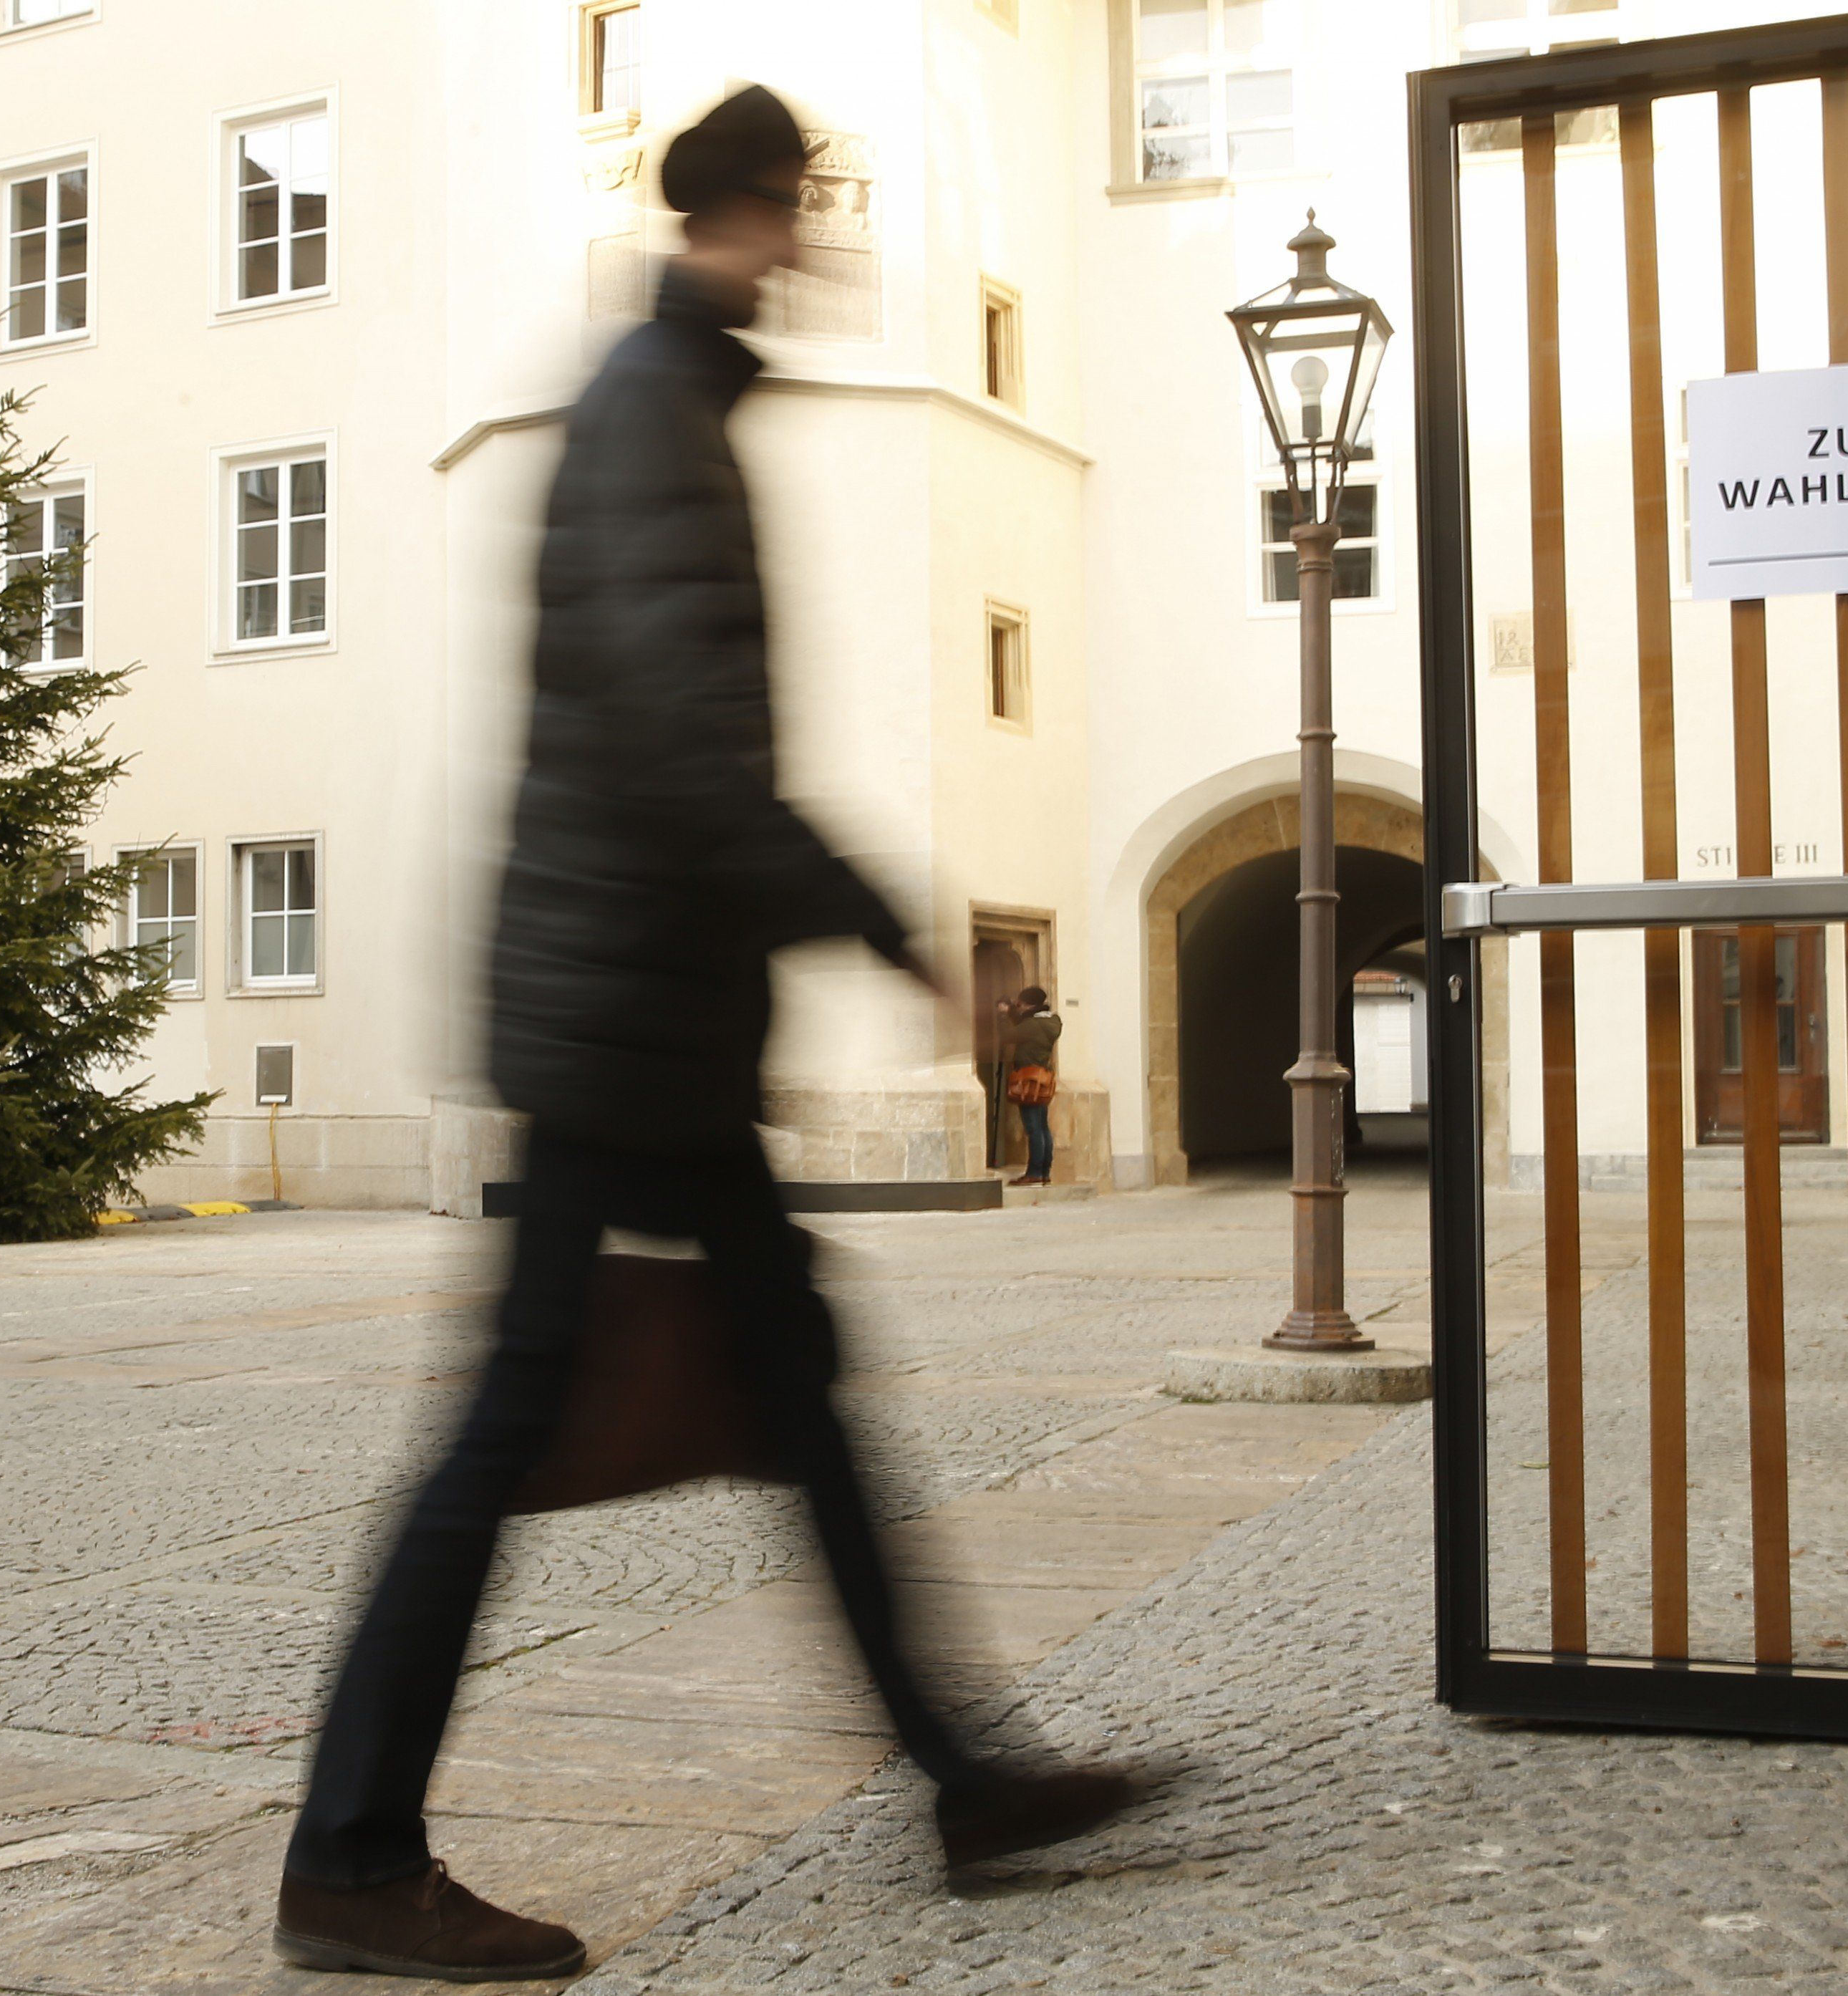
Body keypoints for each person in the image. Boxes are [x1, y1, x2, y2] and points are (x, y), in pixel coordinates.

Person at [274, 85, 1131, 1985]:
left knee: (801, 1393)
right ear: (743, 212)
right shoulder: (650, 410)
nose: (828, 245)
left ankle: (959, 1767)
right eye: (809, 211)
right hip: (616, 1026)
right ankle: (347, 1853)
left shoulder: (673, 399)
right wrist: (875, 922)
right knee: (508, 1432)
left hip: (641, 1018)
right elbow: (680, 735)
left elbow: (680, 732)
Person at [997, 987, 1062, 1187]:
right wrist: (1015, 1013)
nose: (1019, 1006)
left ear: (1029, 1004)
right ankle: (1044, 1173)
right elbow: (1026, 1028)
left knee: (1033, 1128)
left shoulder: (1033, 1025)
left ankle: (1033, 1173)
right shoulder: (1051, 1022)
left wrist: (1004, 1015)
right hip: (1043, 1078)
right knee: (1043, 1128)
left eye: (1022, 1003)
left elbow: (1009, 1036)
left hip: (1028, 1080)